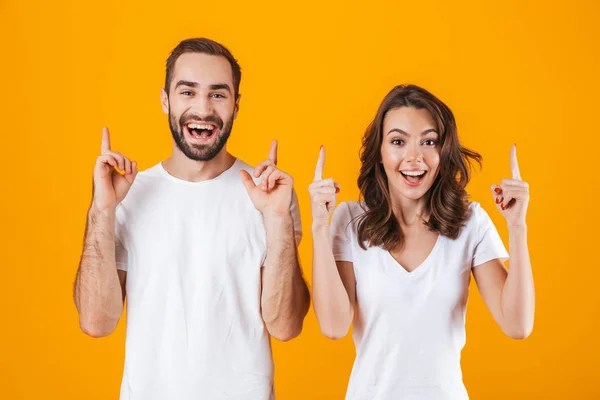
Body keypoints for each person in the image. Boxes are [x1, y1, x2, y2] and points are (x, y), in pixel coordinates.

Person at [73, 37, 310, 400]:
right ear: (165, 100)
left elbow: (286, 326)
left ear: (236, 104)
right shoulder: (128, 195)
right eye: (187, 92)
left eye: (218, 94)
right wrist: (102, 211)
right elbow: (95, 322)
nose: (203, 108)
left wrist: (277, 218)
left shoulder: (268, 195)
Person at [309, 84, 534, 399]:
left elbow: (517, 325)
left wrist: (517, 225)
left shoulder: (471, 222)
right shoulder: (350, 219)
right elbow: (333, 327)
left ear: (444, 152)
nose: (414, 157)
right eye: (398, 141)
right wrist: (320, 226)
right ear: (380, 152)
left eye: (429, 142)